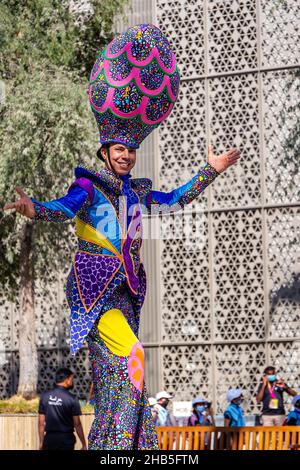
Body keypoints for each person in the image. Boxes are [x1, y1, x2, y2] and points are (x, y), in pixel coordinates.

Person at [4, 24, 240, 450]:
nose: (126, 155)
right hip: (95, 294)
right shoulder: (89, 187)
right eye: (118, 150)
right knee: (135, 359)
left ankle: (122, 448)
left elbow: (174, 200)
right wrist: (32, 207)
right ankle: (116, 448)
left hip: (127, 295)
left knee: (119, 376)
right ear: (105, 152)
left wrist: (211, 171)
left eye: (130, 151)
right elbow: (60, 209)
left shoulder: (139, 192)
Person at [38, 368, 87, 450]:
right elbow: (77, 424)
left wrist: (41, 443)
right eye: (71, 379)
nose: (72, 382)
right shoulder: (72, 398)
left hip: (49, 439)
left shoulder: (44, 396)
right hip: (66, 440)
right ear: (67, 380)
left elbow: (41, 423)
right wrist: (84, 444)